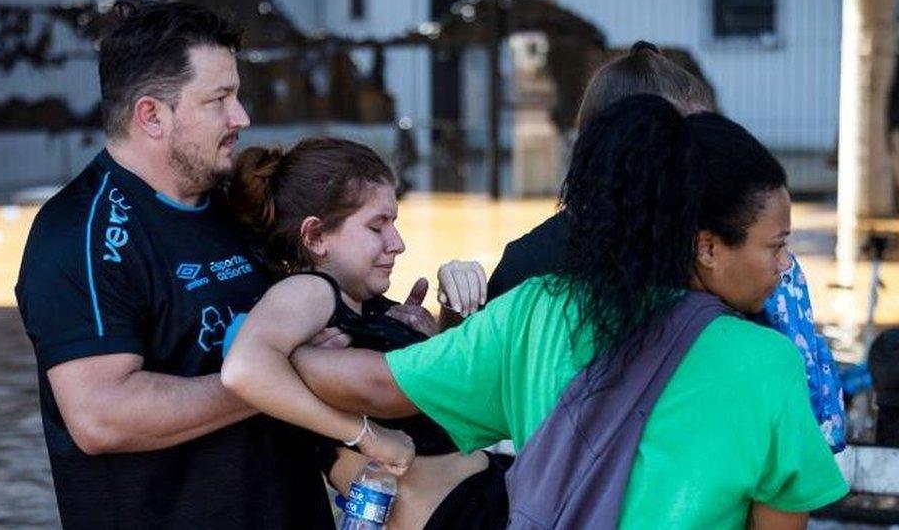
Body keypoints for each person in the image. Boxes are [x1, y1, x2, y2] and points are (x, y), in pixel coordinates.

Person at [233, 95, 850, 528]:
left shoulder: (539, 310)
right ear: (707, 246)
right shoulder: (768, 365)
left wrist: (307, 346)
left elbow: (374, 383)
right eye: (775, 246)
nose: (785, 267)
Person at [14, 1, 332, 528]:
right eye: (219, 99)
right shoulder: (78, 236)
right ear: (151, 115)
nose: (241, 117)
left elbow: (326, 306)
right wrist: (276, 376)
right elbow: (101, 416)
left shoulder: (246, 206)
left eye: (237, 94)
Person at [441, 41, 846, 452]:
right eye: (680, 144)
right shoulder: (536, 269)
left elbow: (807, 420)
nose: (700, 156)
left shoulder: (736, 256)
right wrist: (453, 312)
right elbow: (467, 388)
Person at [221, 138, 512, 529]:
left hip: (485, 495)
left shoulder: (366, 304)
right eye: (377, 226)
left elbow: (449, 398)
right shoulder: (310, 289)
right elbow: (244, 368)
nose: (398, 244)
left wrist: (448, 315)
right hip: (455, 515)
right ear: (316, 237)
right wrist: (366, 436)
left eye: (395, 223)